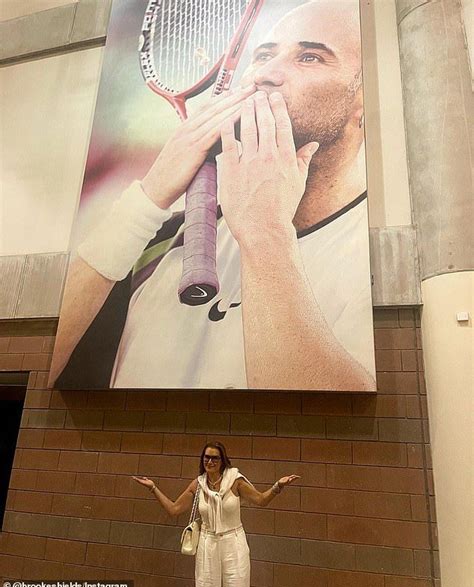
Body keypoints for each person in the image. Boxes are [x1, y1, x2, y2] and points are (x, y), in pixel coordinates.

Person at [49, 0, 376, 391]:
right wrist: (149, 197)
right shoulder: (163, 242)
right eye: (263, 55)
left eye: (310, 57)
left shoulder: (372, 258)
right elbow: (46, 370)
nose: (267, 74)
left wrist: (264, 232)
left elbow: (337, 423)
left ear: (364, 101)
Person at [132, 441, 300, 587]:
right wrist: (152, 488)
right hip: (207, 542)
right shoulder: (199, 484)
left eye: (214, 458)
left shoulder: (236, 480)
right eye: (206, 457)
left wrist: (278, 486)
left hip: (233, 541)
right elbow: (174, 509)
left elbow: (261, 499)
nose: (210, 461)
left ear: (222, 460)